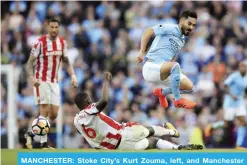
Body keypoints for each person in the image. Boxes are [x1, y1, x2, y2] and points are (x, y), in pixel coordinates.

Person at [74, 72, 203, 150]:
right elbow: (104, 101)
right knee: (147, 129)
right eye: (90, 99)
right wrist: (106, 82)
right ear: (86, 101)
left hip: (117, 149)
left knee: (152, 142)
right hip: (123, 134)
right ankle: (171, 131)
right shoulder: (89, 109)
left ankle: (179, 148)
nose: (92, 101)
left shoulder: (77, 121)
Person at [25, 18, 78, 149]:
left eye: (56, 27)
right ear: (47, 27)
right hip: (41, 80)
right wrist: (32, 78)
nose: (54, 30)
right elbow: (29, 62)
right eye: (52, 27)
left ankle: (31, 132)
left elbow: (67, 62)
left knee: (54, 114)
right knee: (45, 110)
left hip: (54, 82)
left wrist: (72, 75)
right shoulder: (40, 43)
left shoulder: (62, 43)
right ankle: (43, 143)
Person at [137, 10, 198, 109]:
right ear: (182, 20)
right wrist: (142, 51)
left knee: (190, 88)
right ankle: (178, 100)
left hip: (162, 69)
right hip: (151, 67)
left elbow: (172, 56)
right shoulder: (170, 28)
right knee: (175, 65)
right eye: (189, 23)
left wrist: (176, 71)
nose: (191, 27)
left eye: (193, 25)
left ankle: (162, 93)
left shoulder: (182, 40)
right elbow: (148, 31)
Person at [223, 61, 247, 148]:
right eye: (242, 66)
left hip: (239, 103)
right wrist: (232, 95)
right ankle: (212, 127)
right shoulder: (234, 76)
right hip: (230, 102)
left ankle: (238, 145)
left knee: (243, 122)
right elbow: (224, 86)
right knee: (227, 123)